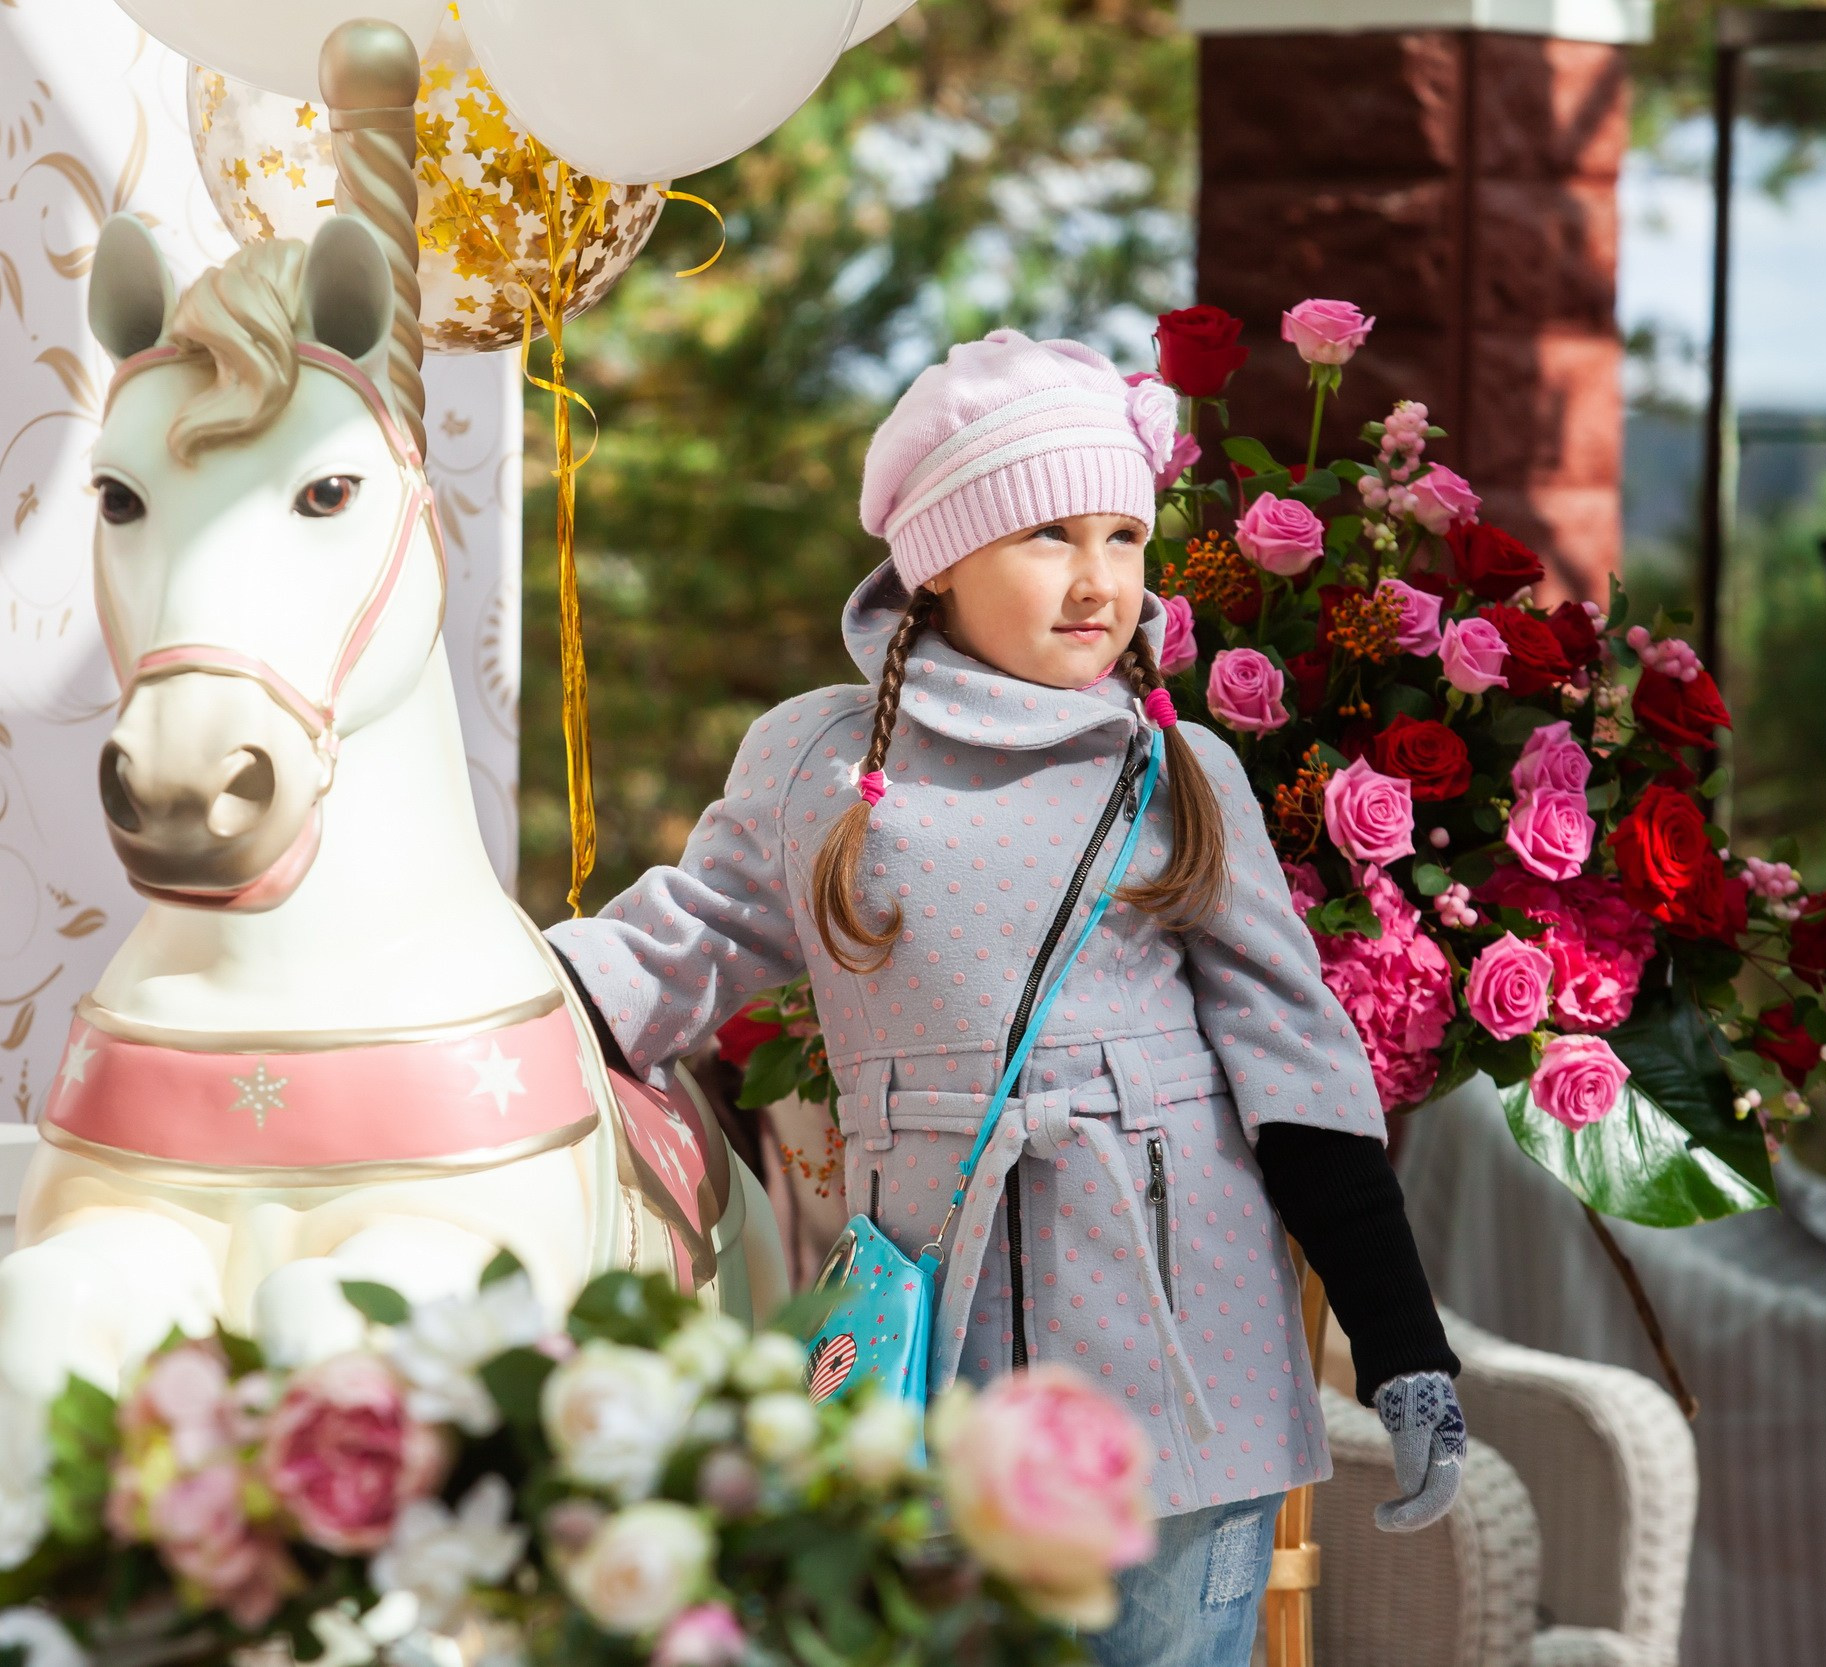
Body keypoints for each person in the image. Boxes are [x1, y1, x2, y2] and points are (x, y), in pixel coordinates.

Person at [545, 330, 1465, 1667]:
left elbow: (1300, 1072)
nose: (1098, 583)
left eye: (1122, 538)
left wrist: (1401, 1343)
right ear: (942, 558)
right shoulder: (817, 759)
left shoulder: (1181, 773)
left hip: (1181, 1364)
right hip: (932, 1354)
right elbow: (687, 941)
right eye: (1048, 536)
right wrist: (500, 998)